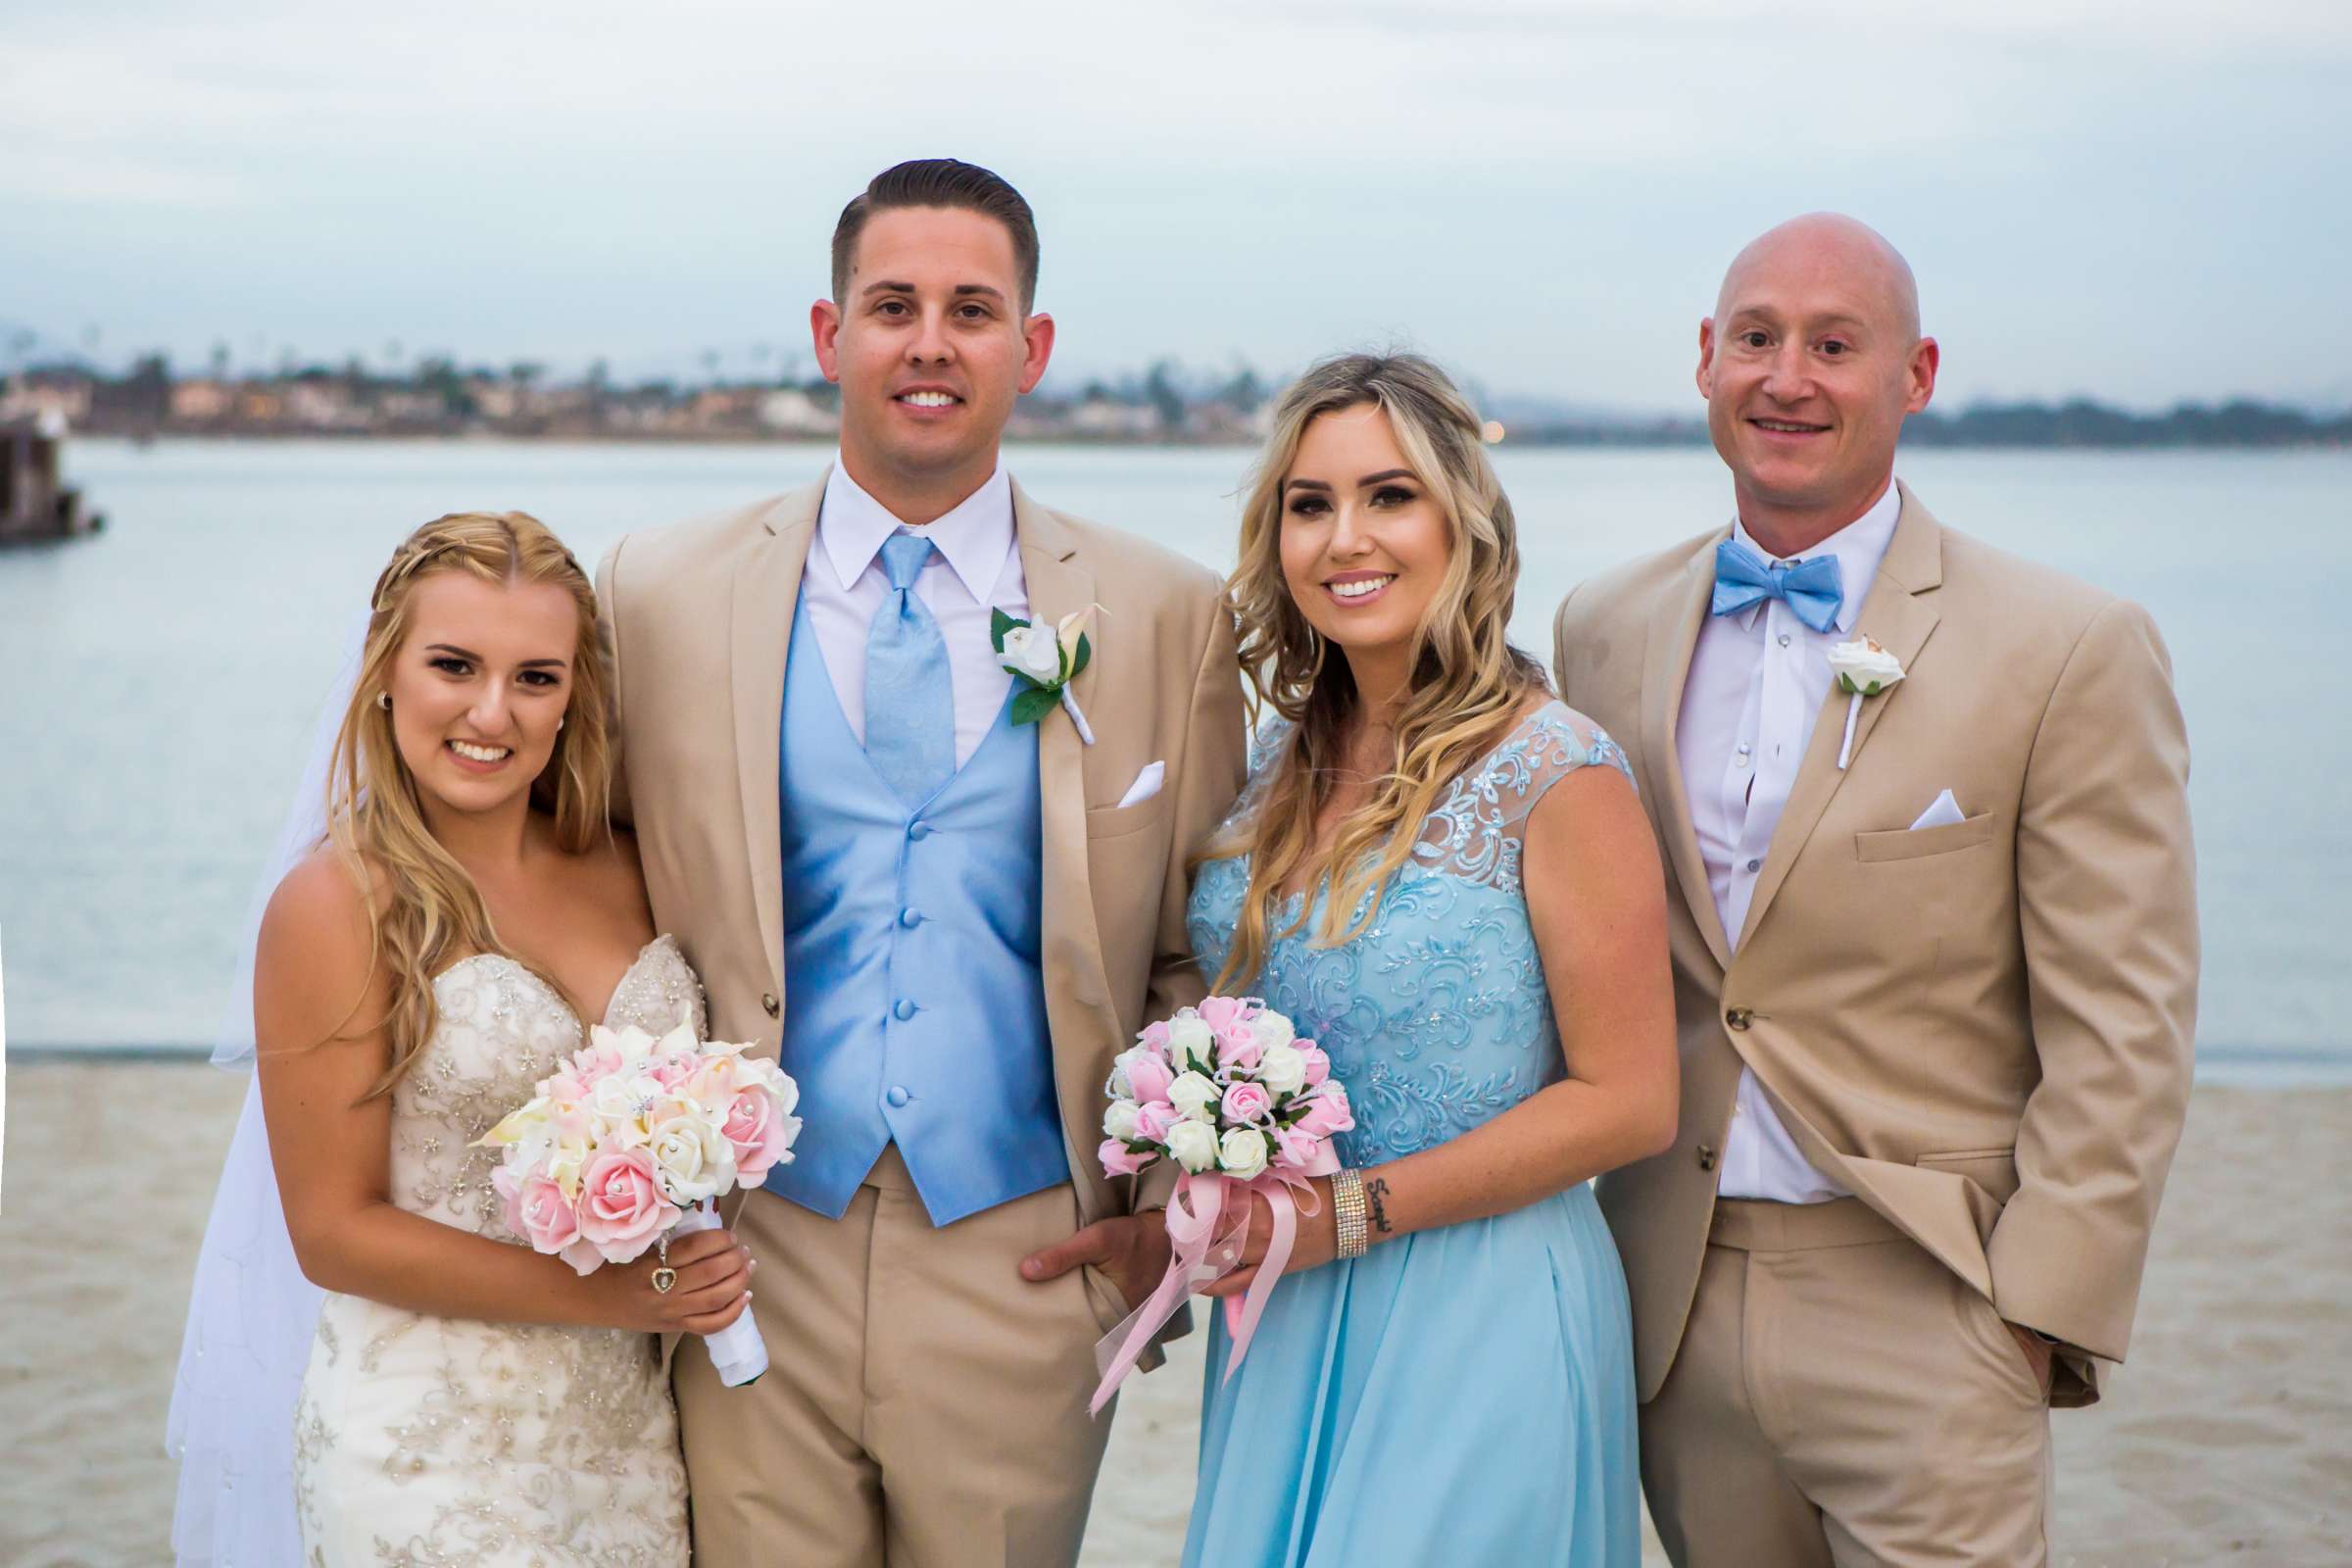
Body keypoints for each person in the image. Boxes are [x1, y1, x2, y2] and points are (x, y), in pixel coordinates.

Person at [594, 158, 1250, 1566]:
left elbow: (1201, 948)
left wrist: (1154, 1228)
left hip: (1024, 1254)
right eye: (893, 306)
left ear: (1035, 347)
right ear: (831, 337)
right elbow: (593, 896)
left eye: (973, 308)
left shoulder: (1164, 616)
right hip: (749, 1249)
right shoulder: (658, 590)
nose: (931, 343)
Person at [1553, 215, 2198, 1566]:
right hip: (1668, 1291)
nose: (1789, 377)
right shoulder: (1602, 629)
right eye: (1757, 338)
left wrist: (2038, 1309)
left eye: (1836, 346)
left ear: (1916, 376)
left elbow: (2125, 1016)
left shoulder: (2067, 646)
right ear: (1705, 362)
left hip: (1928, 1293)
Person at [1181, 353, 1677, 1566]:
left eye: (1390, 496)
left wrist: (1346, 1212)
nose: (1346, 538)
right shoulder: (1273, 760)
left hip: (1480, 1304)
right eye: (1311, 504)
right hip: (1287, 1307)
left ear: (1465, 522)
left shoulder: (1558, 771)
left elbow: (1632, 1100)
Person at [250, 512, 747, 1564]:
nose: (492, 712)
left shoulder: (632, 867)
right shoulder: (337, 903)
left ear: (575, 698)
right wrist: (620, 1292)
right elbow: (332, 1229)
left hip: (626, 1440)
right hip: (430, 1447)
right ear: (385, 671)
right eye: (453, 665)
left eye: (535, 677)